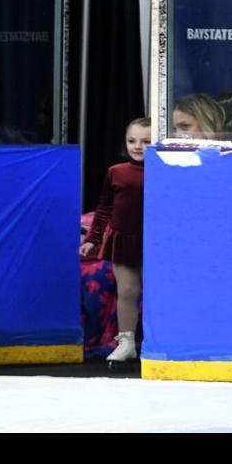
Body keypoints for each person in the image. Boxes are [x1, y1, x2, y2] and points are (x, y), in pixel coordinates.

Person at [81, 118, 149, 368]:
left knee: (154, 293)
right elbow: (104, 209)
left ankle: (155, 340)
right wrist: (93, 239)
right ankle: (126, 342)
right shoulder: (116, 172)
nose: (138, 146)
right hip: (122, 239)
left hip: (152, 242)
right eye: (132, 141)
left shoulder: (164, 169)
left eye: (146, 141)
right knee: (127, 292)